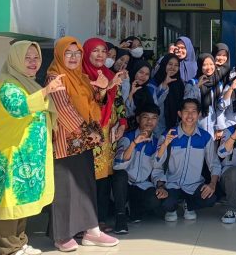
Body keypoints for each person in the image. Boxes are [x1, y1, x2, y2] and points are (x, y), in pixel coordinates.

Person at [0, 41, 64, 255]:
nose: (33, 62)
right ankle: (9, 248)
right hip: (12, 152)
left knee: (22, 198)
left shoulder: (28, 84)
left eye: (36, 57)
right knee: (9, 201)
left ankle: (20, 242)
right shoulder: (7, 86)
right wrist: (47, 91)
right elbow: (19, 108)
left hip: (28, 153)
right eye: (27, 58)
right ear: (15, 59)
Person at [45, 36, 118, 251]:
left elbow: (95, 101)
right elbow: (63, 110)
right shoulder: (54, 78)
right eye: (68, 53)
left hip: (84, 141)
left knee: (85, 186)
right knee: (65, 189)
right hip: (65, 143)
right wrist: (90, 134)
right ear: (59, 55)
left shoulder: (81, 77)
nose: (73, 57)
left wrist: (103, 88)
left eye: (77, 53)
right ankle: (62, 235)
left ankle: (91, 231)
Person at [82, 38, 128, 232]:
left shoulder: (110, 74)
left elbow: (118, 102)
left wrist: (122, 123)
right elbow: (86, 104)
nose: (100, 55)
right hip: (89, 134)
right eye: (96, 51)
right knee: (86, 178)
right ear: (87, 53)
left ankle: (99, 219)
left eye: (104, 51)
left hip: (109, 135)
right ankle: (84, 222)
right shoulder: (81, 77)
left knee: (104, 179)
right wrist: (106, 87)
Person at [152, 99, 221, 222]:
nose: (190, 115)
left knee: (210, 198)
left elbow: (214, 164)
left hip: (194, 184)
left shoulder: (205, 137)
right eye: (186, 111)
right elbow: (156, 163)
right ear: (179, 113)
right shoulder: (169, 135)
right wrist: (165, 144)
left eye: (193, 111)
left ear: (199, 114)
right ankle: (172, 208)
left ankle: (189, 206)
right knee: (164, 202)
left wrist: (212, 184)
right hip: (171, 183)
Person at [111, 102, 162, 235]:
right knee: (120, 175)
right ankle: (121, 217)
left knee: (155, 200)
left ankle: (133, 209)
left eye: (154, 118)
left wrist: (161, 186)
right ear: (138, 119)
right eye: (145, 117)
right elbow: (118, 164)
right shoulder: (127, 137)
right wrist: (134, 143)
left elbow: (158, 169)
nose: (149, 121)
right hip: (124, 186)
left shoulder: (157, 143)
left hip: (141, 185)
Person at [185, 53, 225, 139]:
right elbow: (186, 101)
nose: (209, 67)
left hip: (213, 126)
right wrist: (197, 86)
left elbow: (220, 107)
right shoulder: (192, 83)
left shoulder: (218, 84)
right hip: (196, 126)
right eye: (205, 65)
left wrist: (220, 127)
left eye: (211, 64)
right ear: (200, 66)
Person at [150, 54, 184, 137]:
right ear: (164, 64)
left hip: (174, 127)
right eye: (170, 64)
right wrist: (164, 84)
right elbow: (153, 105)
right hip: (156, 128)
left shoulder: (179, 83)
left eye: (176, 65)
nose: (173, 67)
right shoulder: (153, 83)